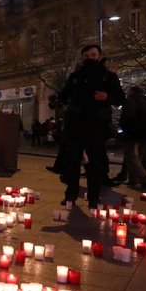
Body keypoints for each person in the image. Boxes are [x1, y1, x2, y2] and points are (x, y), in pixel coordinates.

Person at [57, 44, 125, 208]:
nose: (90, 58)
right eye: (86, 56)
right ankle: (70, 195)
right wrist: (60, 99)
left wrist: (106, 97)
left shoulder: (108, 76)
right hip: (76, 125)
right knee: (73, 162)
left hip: (96, 126)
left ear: (99, 56)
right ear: (82, 58)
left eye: (93, 55)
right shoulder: (75, 77)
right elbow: (65, 95)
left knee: (94, 164)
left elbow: (120, 98)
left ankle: (94, 197)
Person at [111, 85, 146, 189]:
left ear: (132, 92)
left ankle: (145, 179)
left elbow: (127, 117)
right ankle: (133, 180)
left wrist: (123, 128)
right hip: (145, 135)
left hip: (133, 134)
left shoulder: (130, 102)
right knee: (138, 157)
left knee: (131, 157)